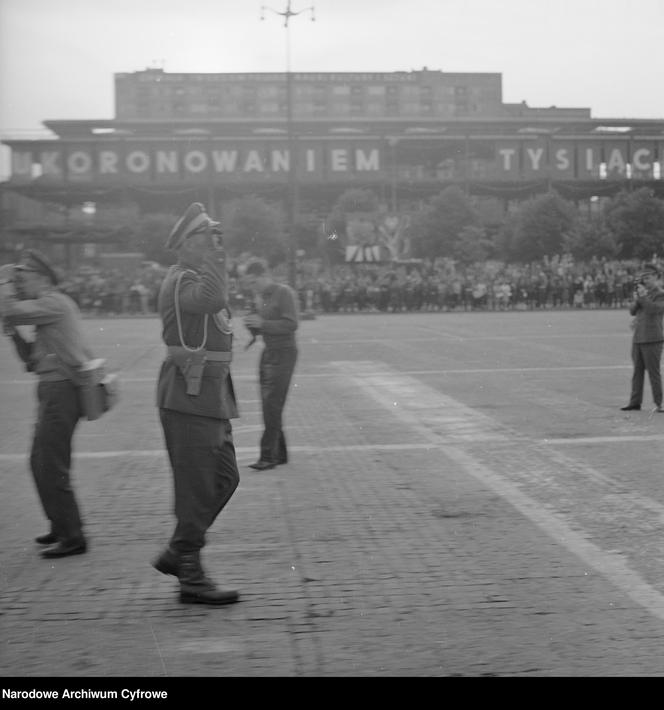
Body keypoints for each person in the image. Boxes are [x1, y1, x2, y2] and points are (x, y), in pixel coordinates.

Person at [153, 202, 241, 606]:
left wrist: (213, 255)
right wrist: (214, 258)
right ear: (187, 244)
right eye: (206, 237)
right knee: (197, 487)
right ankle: (190, 574)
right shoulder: (181, 281)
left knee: (224, 478)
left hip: (210, 396)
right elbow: (212, 298)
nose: (214, 243)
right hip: (189, 399)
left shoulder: (194, 275)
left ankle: (179, 551)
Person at [0, 250, 93, 558]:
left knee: (50, 463)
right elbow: (31, 359)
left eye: (22, 279)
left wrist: (3, 281)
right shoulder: (48, 308)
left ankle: (72, 535)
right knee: (41, 461)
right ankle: (61, 524)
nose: (19, 285)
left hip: (61, 391)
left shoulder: (54, 303)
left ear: (43, 279)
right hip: (53, 390)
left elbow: (9, 307)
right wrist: (13, 334)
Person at [242, 259, 299, 471]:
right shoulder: (261, 296)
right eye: (248, 283)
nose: (252, 287)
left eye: (254, 282)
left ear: (266, 275)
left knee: (272, 404)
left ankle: (268, 456)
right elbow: (263, 327)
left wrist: (262, 323)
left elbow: (292, 323)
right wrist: (252, 327)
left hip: (284, 352)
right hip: (269, 351)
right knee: (270, 405)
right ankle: (279, 453)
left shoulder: (284, 293)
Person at [620, 264, 664, 413]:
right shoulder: (642, 293)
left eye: (648, 277)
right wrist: (636, 298)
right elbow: (632, 311)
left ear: (657, 277)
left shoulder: (660, 293)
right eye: (643, 277)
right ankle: (635, 402)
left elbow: (654, 310)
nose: (645, 280)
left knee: (654, 373)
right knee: (637, 372)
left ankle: (660, 403)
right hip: (638, 337)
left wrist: (643, 296)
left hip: (653, 338)